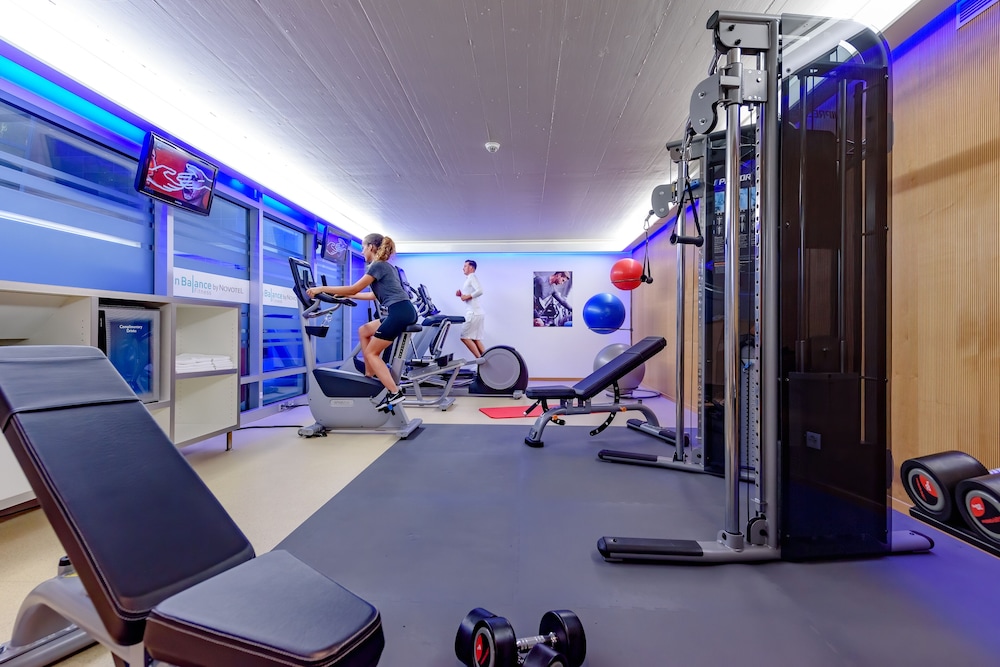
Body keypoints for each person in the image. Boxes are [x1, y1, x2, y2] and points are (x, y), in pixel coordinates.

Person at [306, 233, 417, 411]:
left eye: (363, 247)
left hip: (398, 312)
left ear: (371, 247)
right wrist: (348, 295)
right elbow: (373, 295)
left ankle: (394, 392)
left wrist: (321, 288)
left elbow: (354, 287)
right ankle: (369, 374)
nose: (362, 251)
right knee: (364, 330)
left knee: (372, 353)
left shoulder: (377, 265)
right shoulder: (387, 267)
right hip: (403, 310)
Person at [455, 259, 486, 358]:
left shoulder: (472, 276)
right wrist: (461, 295)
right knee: (475, 339)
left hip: (473, 313)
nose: (463, 268)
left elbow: (480, 291)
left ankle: (481, 362)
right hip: (477, 312)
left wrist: (467, 296)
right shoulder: (469, 278)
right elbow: (467, 297)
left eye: (465, 266)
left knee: (464, 337)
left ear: (471, 267)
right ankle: (488, 361)